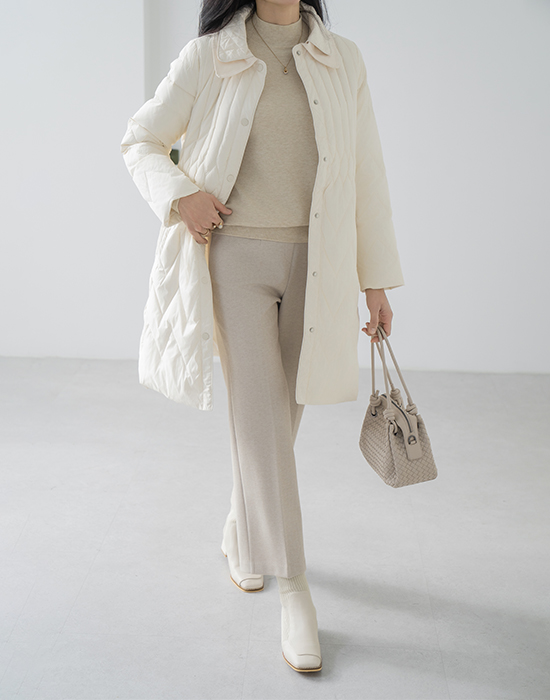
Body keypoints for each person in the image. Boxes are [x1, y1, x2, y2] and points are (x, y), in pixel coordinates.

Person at [121, 0, 405, 673]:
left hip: (320, 263)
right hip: (236, 259)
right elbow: (140, 139)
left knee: (281, 416)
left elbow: (366, 174)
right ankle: (295, 590)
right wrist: (180, 194)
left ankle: (241, 521)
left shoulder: (343, 60)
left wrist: (376, 281)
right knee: (260, 421)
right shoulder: (211, 54)